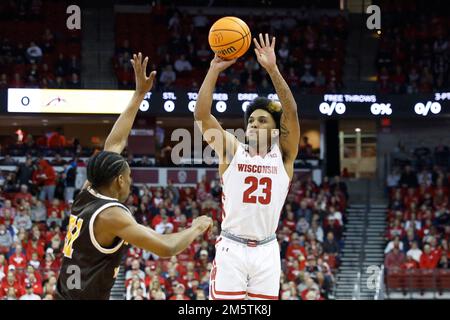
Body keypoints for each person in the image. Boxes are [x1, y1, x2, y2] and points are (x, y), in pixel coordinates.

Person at [55, 53, 213, 300]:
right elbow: (166, 247)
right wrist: (196, 227)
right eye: (128, 176)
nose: (130, 181)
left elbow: (115, 143)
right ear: (119, 180)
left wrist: (139, 94)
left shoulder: (89, 189)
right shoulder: (112, 215)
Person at [194, 34, 300, 300]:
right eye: (251, 120)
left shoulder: (284, 155)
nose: (253, 124)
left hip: (267, 250)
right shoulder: (232, 150)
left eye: (262, 120)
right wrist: (213, 70)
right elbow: (202, 116)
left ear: (276, 130)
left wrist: (273, 69)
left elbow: (291, 112)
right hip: (233, 247)